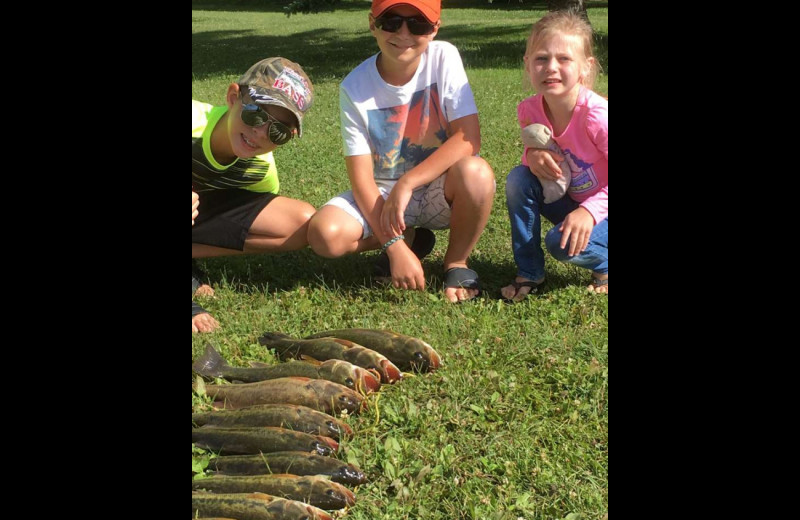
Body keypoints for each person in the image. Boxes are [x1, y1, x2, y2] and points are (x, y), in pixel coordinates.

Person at [306, 0, 495, 303]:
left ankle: (457, 262)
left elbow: (468, 138)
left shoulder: (444, 57)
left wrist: (408, 182)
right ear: (373, 24)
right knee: (325, 235)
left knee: (477, 173)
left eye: (418, 24)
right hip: (382, 196)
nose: (404, 33)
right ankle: (411, 241)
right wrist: (394, 247)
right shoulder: (354, 87)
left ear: (435, 29)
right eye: (391, 21)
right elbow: (362, 180)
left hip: (437, 189)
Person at [192, 57, 316, 332]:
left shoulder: (260, 170)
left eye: (279, 131)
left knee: (301, 221)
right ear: (233, 97)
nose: (260, 133)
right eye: (255, 113)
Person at [500, 11, 607, 302]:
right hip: (571, 199)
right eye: (541, 59)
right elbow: (535, 150)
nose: (551, 68)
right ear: (527, 65)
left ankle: (605, 263)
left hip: (602, 209)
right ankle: (529, 271)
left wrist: (590, 212)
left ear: (586, 67)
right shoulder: (529, 110)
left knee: (558, 242)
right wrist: (531, 157)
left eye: (564, 59)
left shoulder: (597, 116)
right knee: (519, 179)